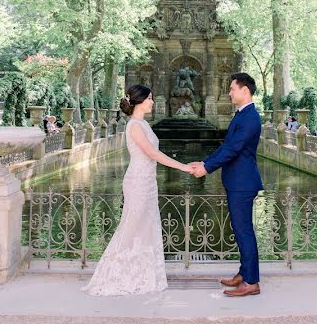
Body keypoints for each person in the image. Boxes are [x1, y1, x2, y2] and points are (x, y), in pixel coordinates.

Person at [82, 84, 193, 296]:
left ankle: (144, 275)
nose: (153, 101)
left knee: (146, 227)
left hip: (148, 181)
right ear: (140, 101)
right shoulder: (134, 126)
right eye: (150, 98)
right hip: (138, 182)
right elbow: (153, 154)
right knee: (132, 227)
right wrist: (184, 167)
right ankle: (114, 275)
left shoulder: (143, 124)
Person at [189, 72, 263, 297]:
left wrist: (207, 169)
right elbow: (226, 146)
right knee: (241, 231)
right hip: (236, 181)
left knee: (244, 232)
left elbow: (233, 149)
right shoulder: (242, 115)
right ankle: (244, 273)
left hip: (243, 183)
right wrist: (205, 162)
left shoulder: (250, 117)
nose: (229, 92)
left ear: (245, 91)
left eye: (232, 89)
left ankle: (251, 282)